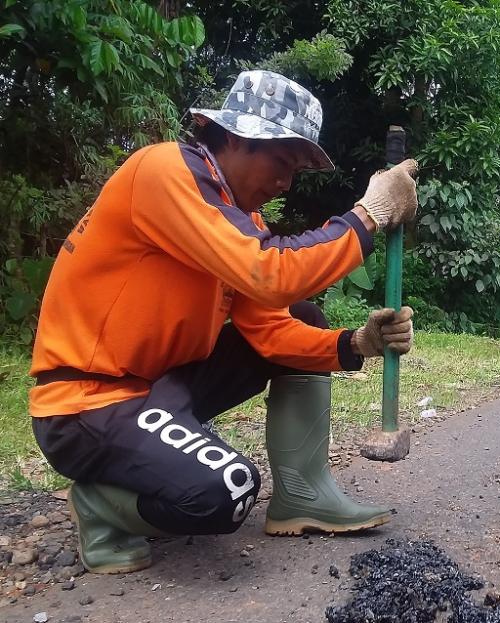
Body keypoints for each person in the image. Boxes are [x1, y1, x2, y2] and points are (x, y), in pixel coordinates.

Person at [28, 70, 419, 574]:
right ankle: (100, 506)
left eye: (295, 171)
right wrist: (368, 216)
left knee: (306, 318)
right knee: (229, 491)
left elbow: (271, 328)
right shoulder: (163, 171)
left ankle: (303, 496)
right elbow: (270, 272)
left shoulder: (237, 218)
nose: (285, 182)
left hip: (162, 389)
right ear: (235, 137)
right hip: (89, 404)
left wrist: (355, 344)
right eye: (281, 161)